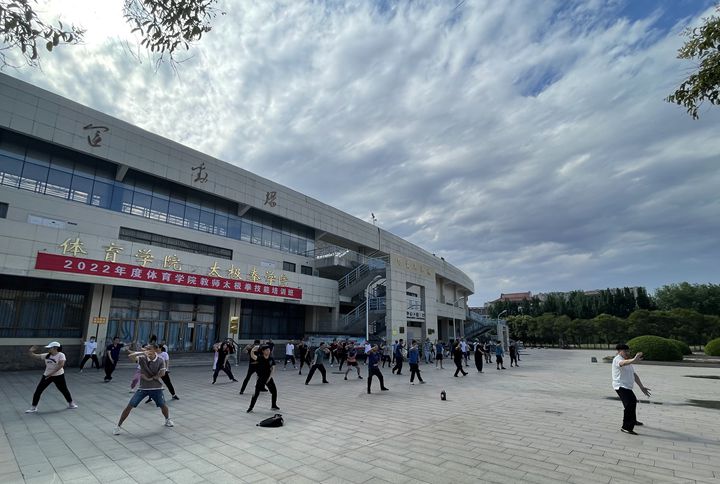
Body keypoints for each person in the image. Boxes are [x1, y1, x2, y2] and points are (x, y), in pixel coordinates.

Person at [113, 344, 173, 434]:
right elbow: (131, 356)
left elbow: (162, 373)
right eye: (146, 349)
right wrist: (141, 352)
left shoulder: (160, 360)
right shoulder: (142, 358)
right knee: (130, 405)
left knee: (162, 405)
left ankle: (167, 419)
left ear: (155, 350)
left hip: (156, 387)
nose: (147, 350)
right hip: (143, 388)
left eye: (149, 349)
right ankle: (118, 426)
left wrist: (150, 378)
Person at [26, 342, 78, 413]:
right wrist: (30, 351)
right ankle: (33, 407)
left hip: (59, 376)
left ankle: (71, 404)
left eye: (50, 348)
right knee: (38, 391)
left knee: (64, 390)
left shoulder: (61, 355)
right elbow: (34, 356)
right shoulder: (47, 355)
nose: (49, 349)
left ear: (55, 348)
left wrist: (51, 374)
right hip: (47, 375)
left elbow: (61, 365)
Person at [612, 344, 651, 435]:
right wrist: (633, 360)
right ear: (619, 351)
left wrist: (642, 387)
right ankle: (626, 427)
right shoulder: (617, 359)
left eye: (628, 351)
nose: (627, 353)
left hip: (627, 386)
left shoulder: (627, 360)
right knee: (630, 403)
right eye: (625, 351)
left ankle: (632, 420)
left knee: (631, 403)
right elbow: (622, 363)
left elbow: (634, 375)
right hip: (620, 386)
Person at [247, 345, 280, 413]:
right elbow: (253, 356)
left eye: (269, 350)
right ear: (263, 351)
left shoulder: (271, 359)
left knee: (274, 392)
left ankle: (273, 405)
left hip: (268, 378)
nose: (268, 351)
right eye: (267, 350)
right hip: (261, 378)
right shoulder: (260, 358)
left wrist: (269, 378)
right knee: (256, 394)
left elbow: (273, 369)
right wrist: (253, 350)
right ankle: (250, 408)